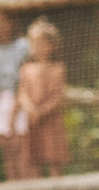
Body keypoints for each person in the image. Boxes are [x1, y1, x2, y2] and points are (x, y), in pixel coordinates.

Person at [15, 16, 71, 178]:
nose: (38, 47)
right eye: (34, 43)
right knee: (34, 159)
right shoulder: (26, 69)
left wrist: (43, 110)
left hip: (51, 120)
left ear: (52, 45)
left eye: (42, 43)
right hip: (32, 121)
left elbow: (58, 95)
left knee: (54, 157)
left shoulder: (58, 69)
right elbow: (22, 94)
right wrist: (31, 109)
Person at [0, 11, 29, 181]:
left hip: (22, 99)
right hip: (2, 102)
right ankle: (14, 189)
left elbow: (26, 74)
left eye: (2, 22)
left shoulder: (24, 46)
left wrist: (18, 101)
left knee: (22, 145)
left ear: (12, 22)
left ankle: (29, 188)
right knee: (8, 148)